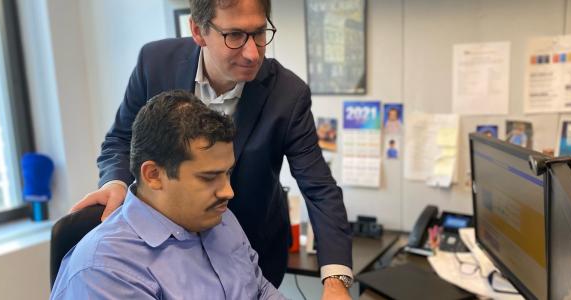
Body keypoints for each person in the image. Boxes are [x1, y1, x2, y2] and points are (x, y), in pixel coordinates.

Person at [70, 0, 353, 295]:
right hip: (167, 256)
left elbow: (319, 187)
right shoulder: (155, 63)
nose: (252, 52)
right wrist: (115, 181)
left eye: (259, 33)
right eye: (234, 36)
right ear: (198, 30)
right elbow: (120, 139)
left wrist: (336, 282)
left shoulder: (287, 94)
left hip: (248, 250)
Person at [51, 91, 284, 299]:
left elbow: (260, 290)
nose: (228, 191)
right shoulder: (105, 269)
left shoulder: (221, 220)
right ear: (153, 175)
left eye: (228, 173)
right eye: (209, 177)